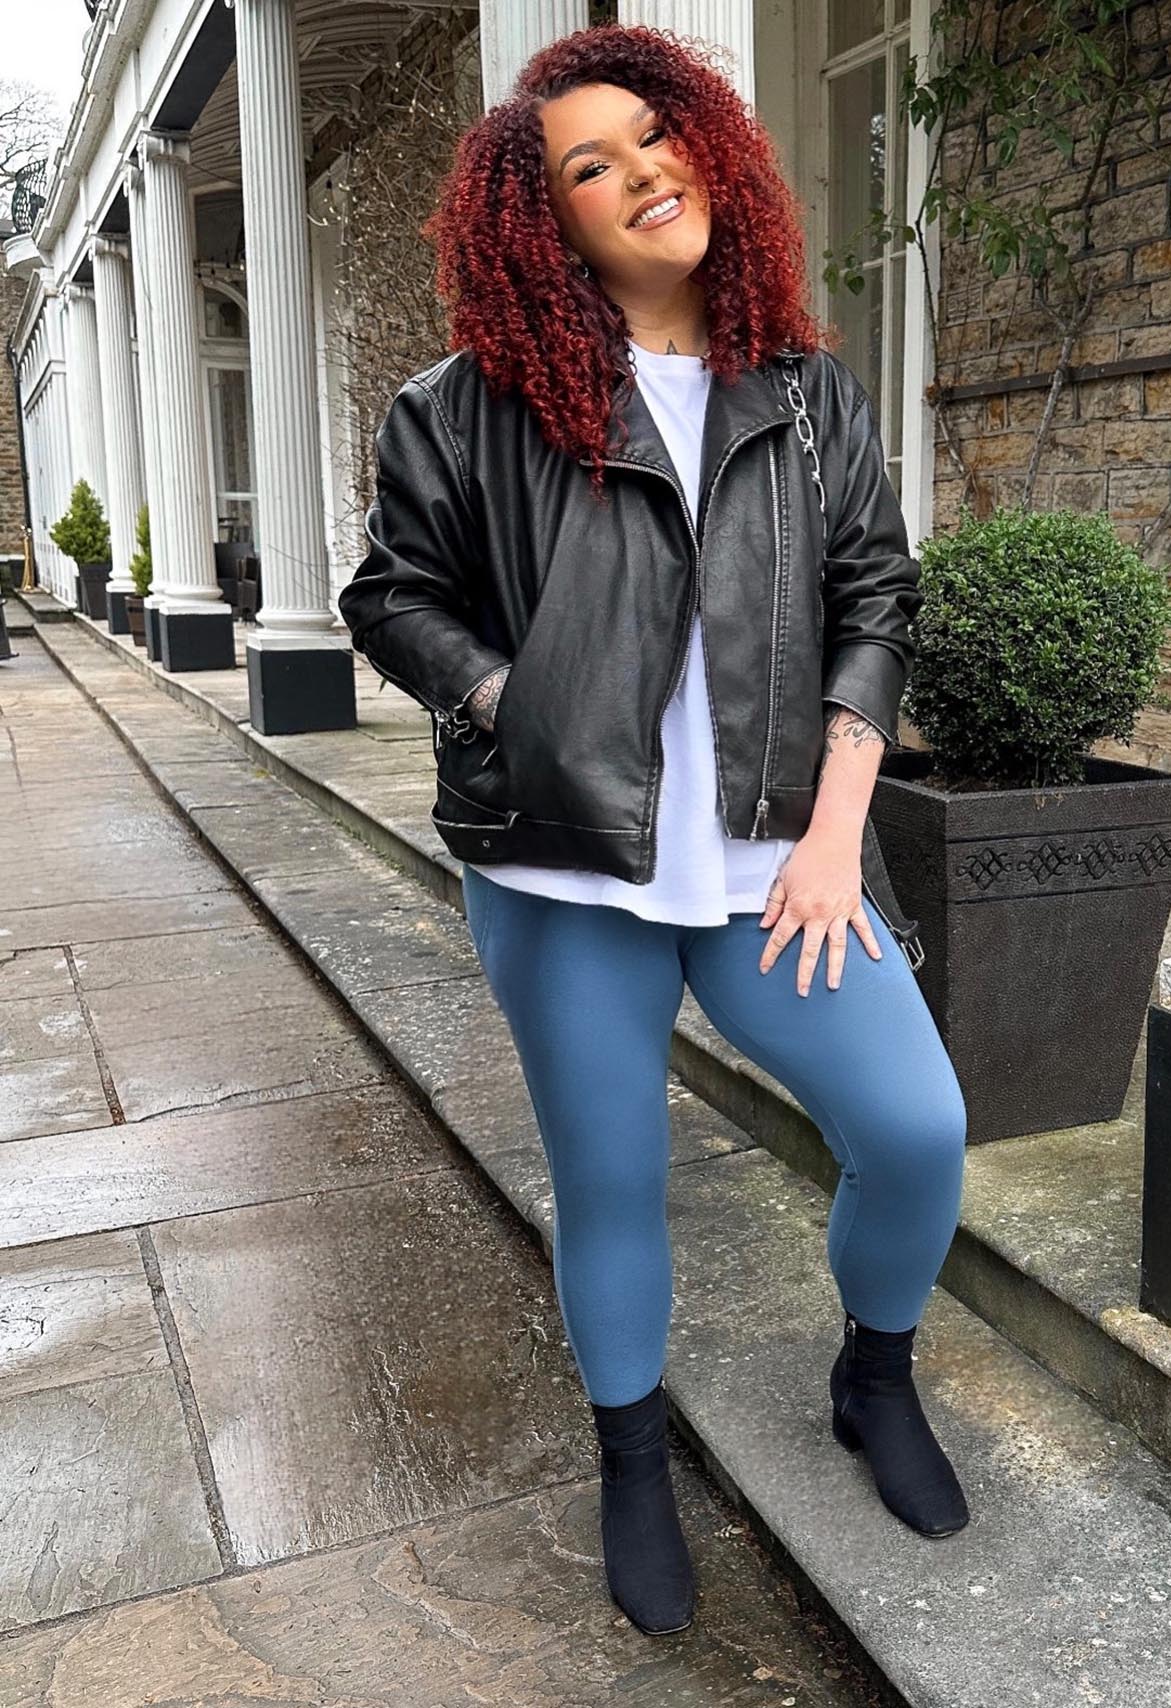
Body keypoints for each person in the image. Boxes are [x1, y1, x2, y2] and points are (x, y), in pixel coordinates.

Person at [338, 21, 970, 1638]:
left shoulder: (806, 395)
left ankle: (876, 1375)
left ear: (711, 147)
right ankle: (632, 1459)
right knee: (613, 1179)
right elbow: (392, 597)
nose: (640, 175)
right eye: (589, 167)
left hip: (776, 862)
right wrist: (513, 703)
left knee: (916, 1128)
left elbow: (876, 603)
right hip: (563, 870)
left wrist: (834, 836)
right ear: (542, 219)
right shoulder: (462, 409)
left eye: (656, 135)